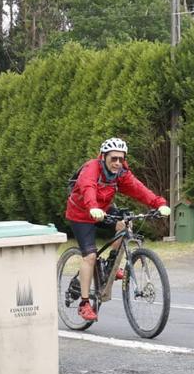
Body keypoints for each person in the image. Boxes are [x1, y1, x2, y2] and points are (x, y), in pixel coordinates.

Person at [65, 137, 170, 322]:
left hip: (102, 210)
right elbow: (88, 187)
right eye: (113, 158)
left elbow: (139, 189)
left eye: (121, 159)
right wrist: (92, 207)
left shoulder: (121, 173)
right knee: (89, 256)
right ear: (104, 156)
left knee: (125, 224)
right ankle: (84, 304)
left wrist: (158, 203)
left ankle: (109, 266)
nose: (117, 163)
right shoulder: (92, 169)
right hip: (81, 213)